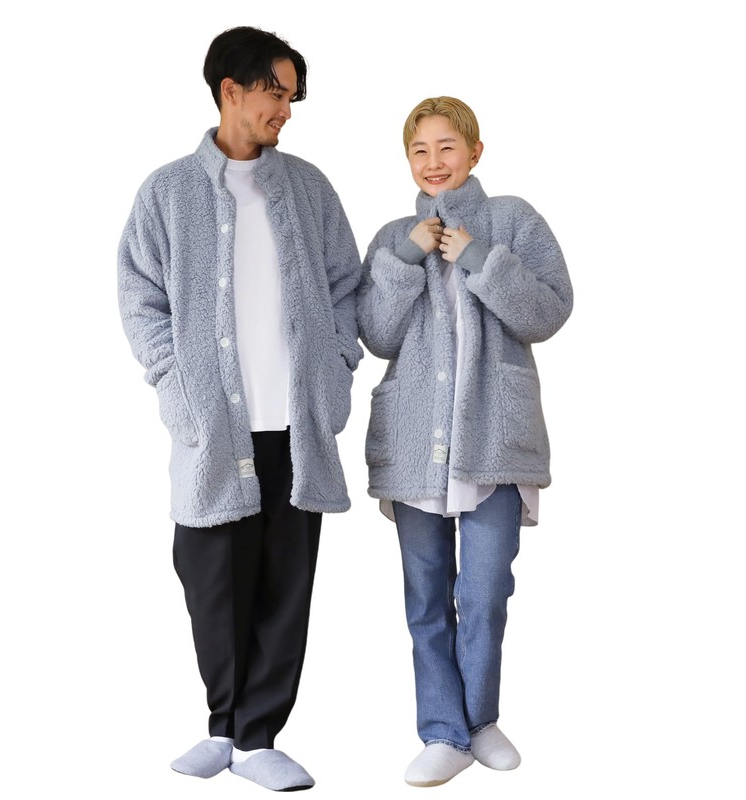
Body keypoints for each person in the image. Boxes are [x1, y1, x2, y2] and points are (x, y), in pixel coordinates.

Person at [117, 26, 362, 792]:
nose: (286, 108)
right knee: (210, 576)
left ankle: (258, 738)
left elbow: (346, 286)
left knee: (286, 583)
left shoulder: (310, 189)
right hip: (213, 426)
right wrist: (173, 383)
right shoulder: (168, 192)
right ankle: (221, 725)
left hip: (295, 423)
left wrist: (336, 371)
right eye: (276, 92)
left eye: (292, 96)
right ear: (232, 89)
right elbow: (139, 296)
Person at [357, 96, 572, 787]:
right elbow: (377, 334)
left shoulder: (512, 219)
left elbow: (549, 310)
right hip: (415, 441)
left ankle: (480, 721)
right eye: (419, 150)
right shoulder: (393, 235)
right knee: (424, 596)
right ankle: (442, 731)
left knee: (484, 591)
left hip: (492, 436)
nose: (434, 162)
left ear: (475, 151)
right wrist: (405, 258)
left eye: (447, 147)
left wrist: (479, 257)